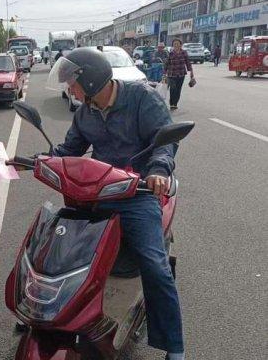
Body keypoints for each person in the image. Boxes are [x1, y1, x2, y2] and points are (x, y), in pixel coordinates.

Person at [46, 48, 184, 360]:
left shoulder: (141, 99)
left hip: (137, 194)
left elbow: (165, 139)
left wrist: (159, 170)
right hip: (98, 193)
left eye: (73, 83)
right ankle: (47, 316)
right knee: (59, 245)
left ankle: (174, 346)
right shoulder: (85, 112)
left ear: (92, 82)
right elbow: (70, 148)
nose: (70, 90)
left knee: (155, 265)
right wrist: (43, 159)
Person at [164, 38, 194, 110]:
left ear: (181, 45)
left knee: (178, 89)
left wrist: (191, 72)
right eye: (174, 44)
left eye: (178, 44)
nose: (176, 45)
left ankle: (175, 103)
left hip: (181, 74)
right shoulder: (170, 53)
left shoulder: (184, 53)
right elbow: (166, 64)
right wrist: (164, 73)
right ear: (173, 45)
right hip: (172, 74)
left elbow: (188, 63)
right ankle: (172, 104)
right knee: (173, 89)